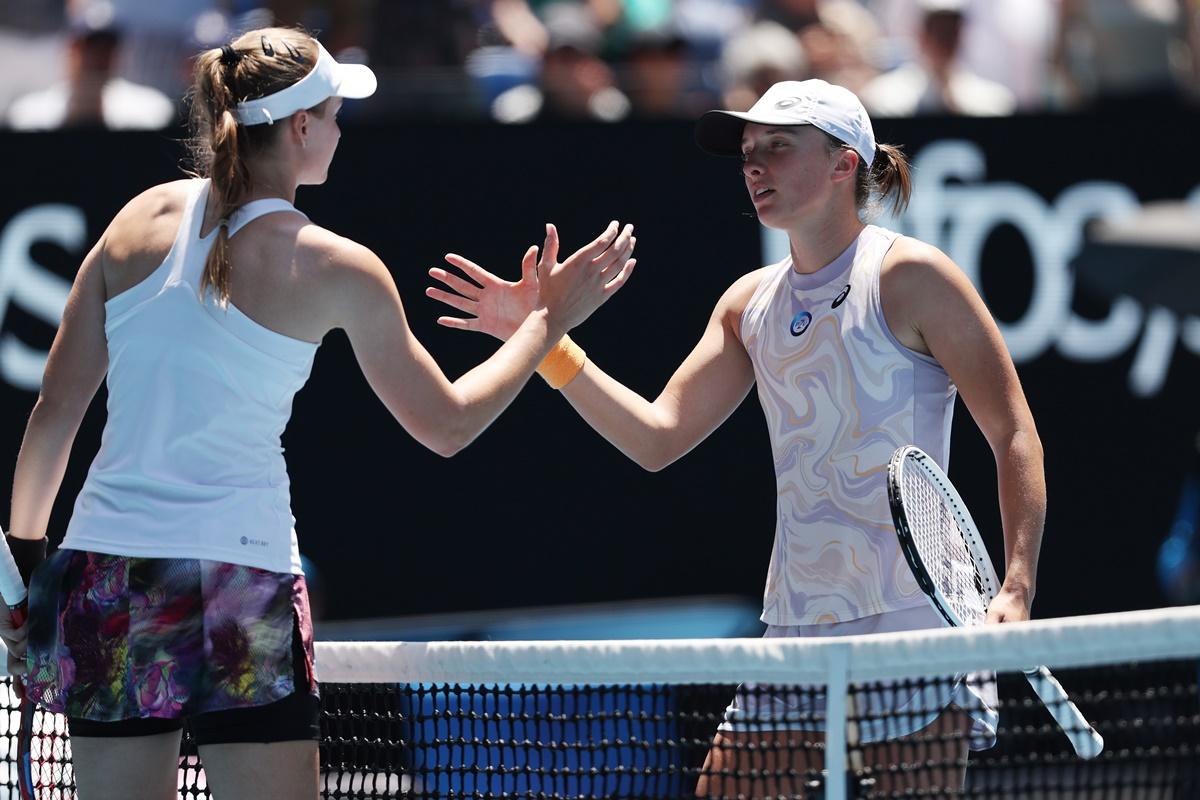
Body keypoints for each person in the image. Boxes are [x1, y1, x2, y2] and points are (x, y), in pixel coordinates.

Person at [0, 26, 634, 800]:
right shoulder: (338, 266)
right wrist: (547, 322)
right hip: (245, 580)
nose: (339, 130)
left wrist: (25, 569)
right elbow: (448, 425)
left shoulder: (136, 222)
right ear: (301, 127)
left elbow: (54, 416)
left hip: (108, 579)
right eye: (334, 114)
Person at [428, 78, 1044, 797]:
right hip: (795, 628)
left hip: (912, 628)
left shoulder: (913, 277)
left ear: (846, 164)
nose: (754, 166)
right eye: (749, 153)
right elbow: (657, 438)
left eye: (778, 149)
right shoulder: (748, 304)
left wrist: (1018, 585)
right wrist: (545, 344)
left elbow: (1014, 434)